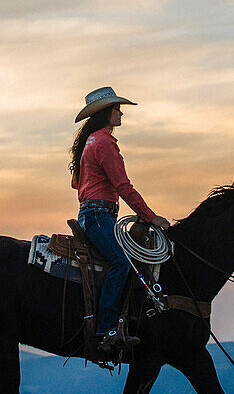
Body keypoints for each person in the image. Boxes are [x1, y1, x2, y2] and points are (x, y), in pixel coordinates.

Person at [70, 87, 170, 358]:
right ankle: (106, 331)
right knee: (120, 261)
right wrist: (150, 216)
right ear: (106, 113)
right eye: (116, 108)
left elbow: (77, 183)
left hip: (95, 212)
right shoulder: (103, 143)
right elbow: (123, 186)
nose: (121, 111)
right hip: (99, 215)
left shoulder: (90, 142)